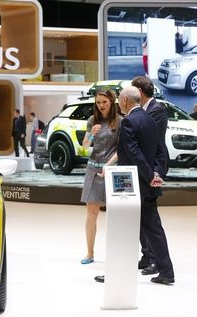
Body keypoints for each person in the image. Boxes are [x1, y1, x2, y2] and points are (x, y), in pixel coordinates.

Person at [116, 86, 174, 285]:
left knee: (123, 228)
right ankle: (166, 272)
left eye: (118, 98)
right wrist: (156, 173)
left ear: (125, 100)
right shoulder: (150, 119)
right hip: (148, 184)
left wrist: (150, 175)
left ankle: (117, 274)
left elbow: (133, 153)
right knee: (153, 229)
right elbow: (160, 151)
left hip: (131, 184)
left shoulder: (129, 121)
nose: (118, 102)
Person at [132, 76, 169, 274]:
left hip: (152, 168)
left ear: (139, 90)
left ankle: (155, 259)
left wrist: (153, 171)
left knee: (150, 218)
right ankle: (147, 256)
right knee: (140, 216)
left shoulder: (157, 111)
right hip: (141, 169)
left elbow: (153, 144)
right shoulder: (142, 111)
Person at [80, 89, 122, 264]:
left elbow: (121, 149)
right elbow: (84, 147)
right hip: (93, 170)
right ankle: (90, 253)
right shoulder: (92, 121)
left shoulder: (120, 121)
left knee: (116, 215)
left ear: (112, 102)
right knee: (91, 213)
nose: (101, 105)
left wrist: (109, 165)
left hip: (111, 170)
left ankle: (116, 253)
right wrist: (91, 134)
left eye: (104, 102)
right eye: (98, 102)